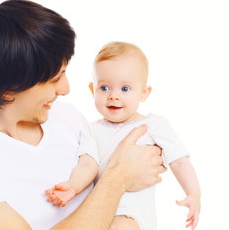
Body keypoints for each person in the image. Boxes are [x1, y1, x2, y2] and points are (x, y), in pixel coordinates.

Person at [0, 0, 166, 230]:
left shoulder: (68, 117)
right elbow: (119, 176)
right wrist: (117, 179)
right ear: (11, 83)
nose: (65, 89)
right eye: (55, 79)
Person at [46, 42, 201, 230]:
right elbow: (87, 164)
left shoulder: (153, 125)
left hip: (133, 215)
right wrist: (73, 186)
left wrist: (193, 194)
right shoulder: (91, 129)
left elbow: (179, 161)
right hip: (99, 211)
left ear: (144, 93)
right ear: (92, 89)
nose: (113, 96)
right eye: (104, 88)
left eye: (125, 89)